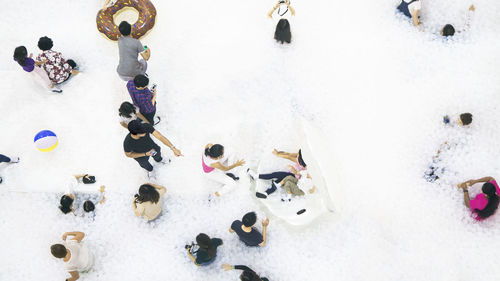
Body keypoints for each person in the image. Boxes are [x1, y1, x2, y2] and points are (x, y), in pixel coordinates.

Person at [424, 113, 473, 183]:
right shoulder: (454, 123)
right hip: (442, 148)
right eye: (458, 118)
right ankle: (428, 176)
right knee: (434, 164)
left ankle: (433, 179)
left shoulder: (463, 133)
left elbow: (456, 144)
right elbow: (447, 121)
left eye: (460, 121)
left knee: (440, 166)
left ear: (464, 124)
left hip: (448, 153)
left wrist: (445, 146)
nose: (458, 121)